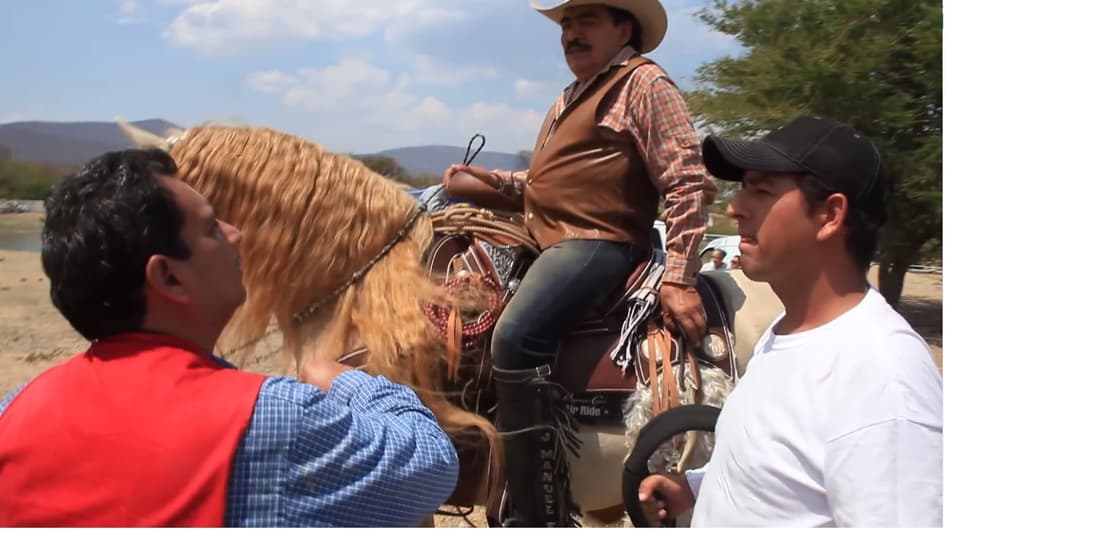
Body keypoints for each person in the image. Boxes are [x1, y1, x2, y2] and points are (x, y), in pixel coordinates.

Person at [0, 149, 460, 527]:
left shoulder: (13, 413)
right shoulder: (275, 417)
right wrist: (343, 381)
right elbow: (431, 466)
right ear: (169, 277)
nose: (236, 234)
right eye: (210, 227)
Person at [441, 0, 717, 527]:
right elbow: (546, 186)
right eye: (566, 23)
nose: (571, 33)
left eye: (586, 19)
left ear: (623, 26)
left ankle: (538, 510)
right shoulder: (570, 97)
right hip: (550, 239)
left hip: (598, 242)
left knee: (515, 338)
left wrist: (680, 275)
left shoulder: (644, 84)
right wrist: (490, 182)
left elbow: (686, 178)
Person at [636, 116, 944, 527]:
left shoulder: (882, 376)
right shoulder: (786, 333)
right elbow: (782, 467)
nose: (735, 207)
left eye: (761, 191)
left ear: (830, 215)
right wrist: (694, 487)